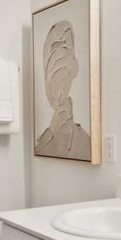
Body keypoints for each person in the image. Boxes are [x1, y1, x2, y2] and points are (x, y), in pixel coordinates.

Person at [34, 20, 91, 160]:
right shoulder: (41, 143)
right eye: (50, 66)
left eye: (61, 61)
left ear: (74, 68)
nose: (54, 75)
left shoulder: (85, 143)